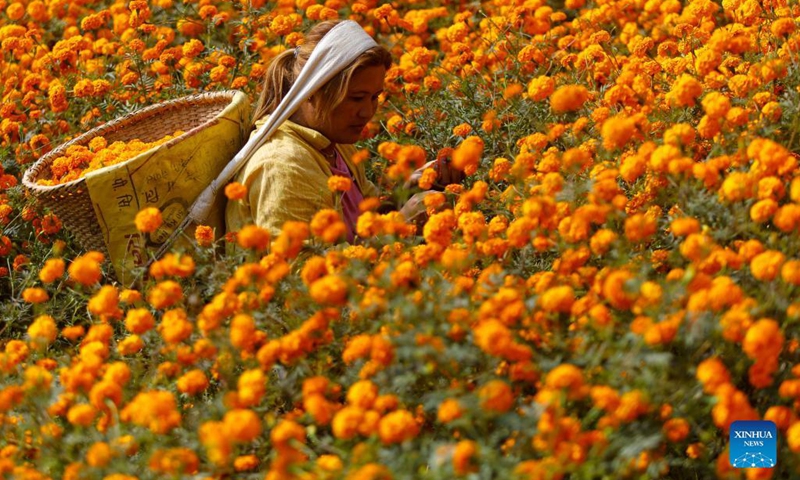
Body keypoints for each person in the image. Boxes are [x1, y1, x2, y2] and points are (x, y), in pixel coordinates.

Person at [225, 20, 463, 243]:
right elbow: (300, 274)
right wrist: (398, 226)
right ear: (313, 92)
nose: (367, 112)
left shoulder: (333, 142)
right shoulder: (284, 167)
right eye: (357, 98)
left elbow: (362, 220)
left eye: (374, 97)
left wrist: (408, 190)